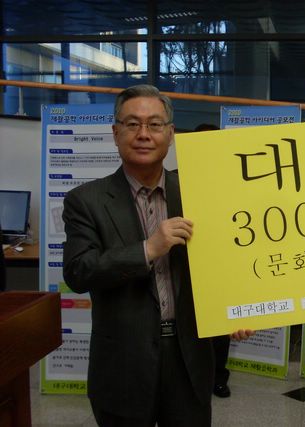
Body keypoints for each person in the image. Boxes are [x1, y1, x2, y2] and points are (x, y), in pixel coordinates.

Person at [62, 84, 252, 426]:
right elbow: (78, 272)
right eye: (132, 124)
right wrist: (148, 249)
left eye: (154, 124)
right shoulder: (86, 200)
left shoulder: (200, 192)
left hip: (189, 357)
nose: (143, 134)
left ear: (171, 133)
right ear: (116, 133)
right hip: (123, 362)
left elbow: (223, 263)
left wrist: (233, 310)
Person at [190, 122, 232, 399]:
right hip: (186, 264)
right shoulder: (175, 179)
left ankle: (218, 377)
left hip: (222, 263)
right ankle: (190, 378)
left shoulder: (231, 180)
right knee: (189, 327)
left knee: (220, 327)